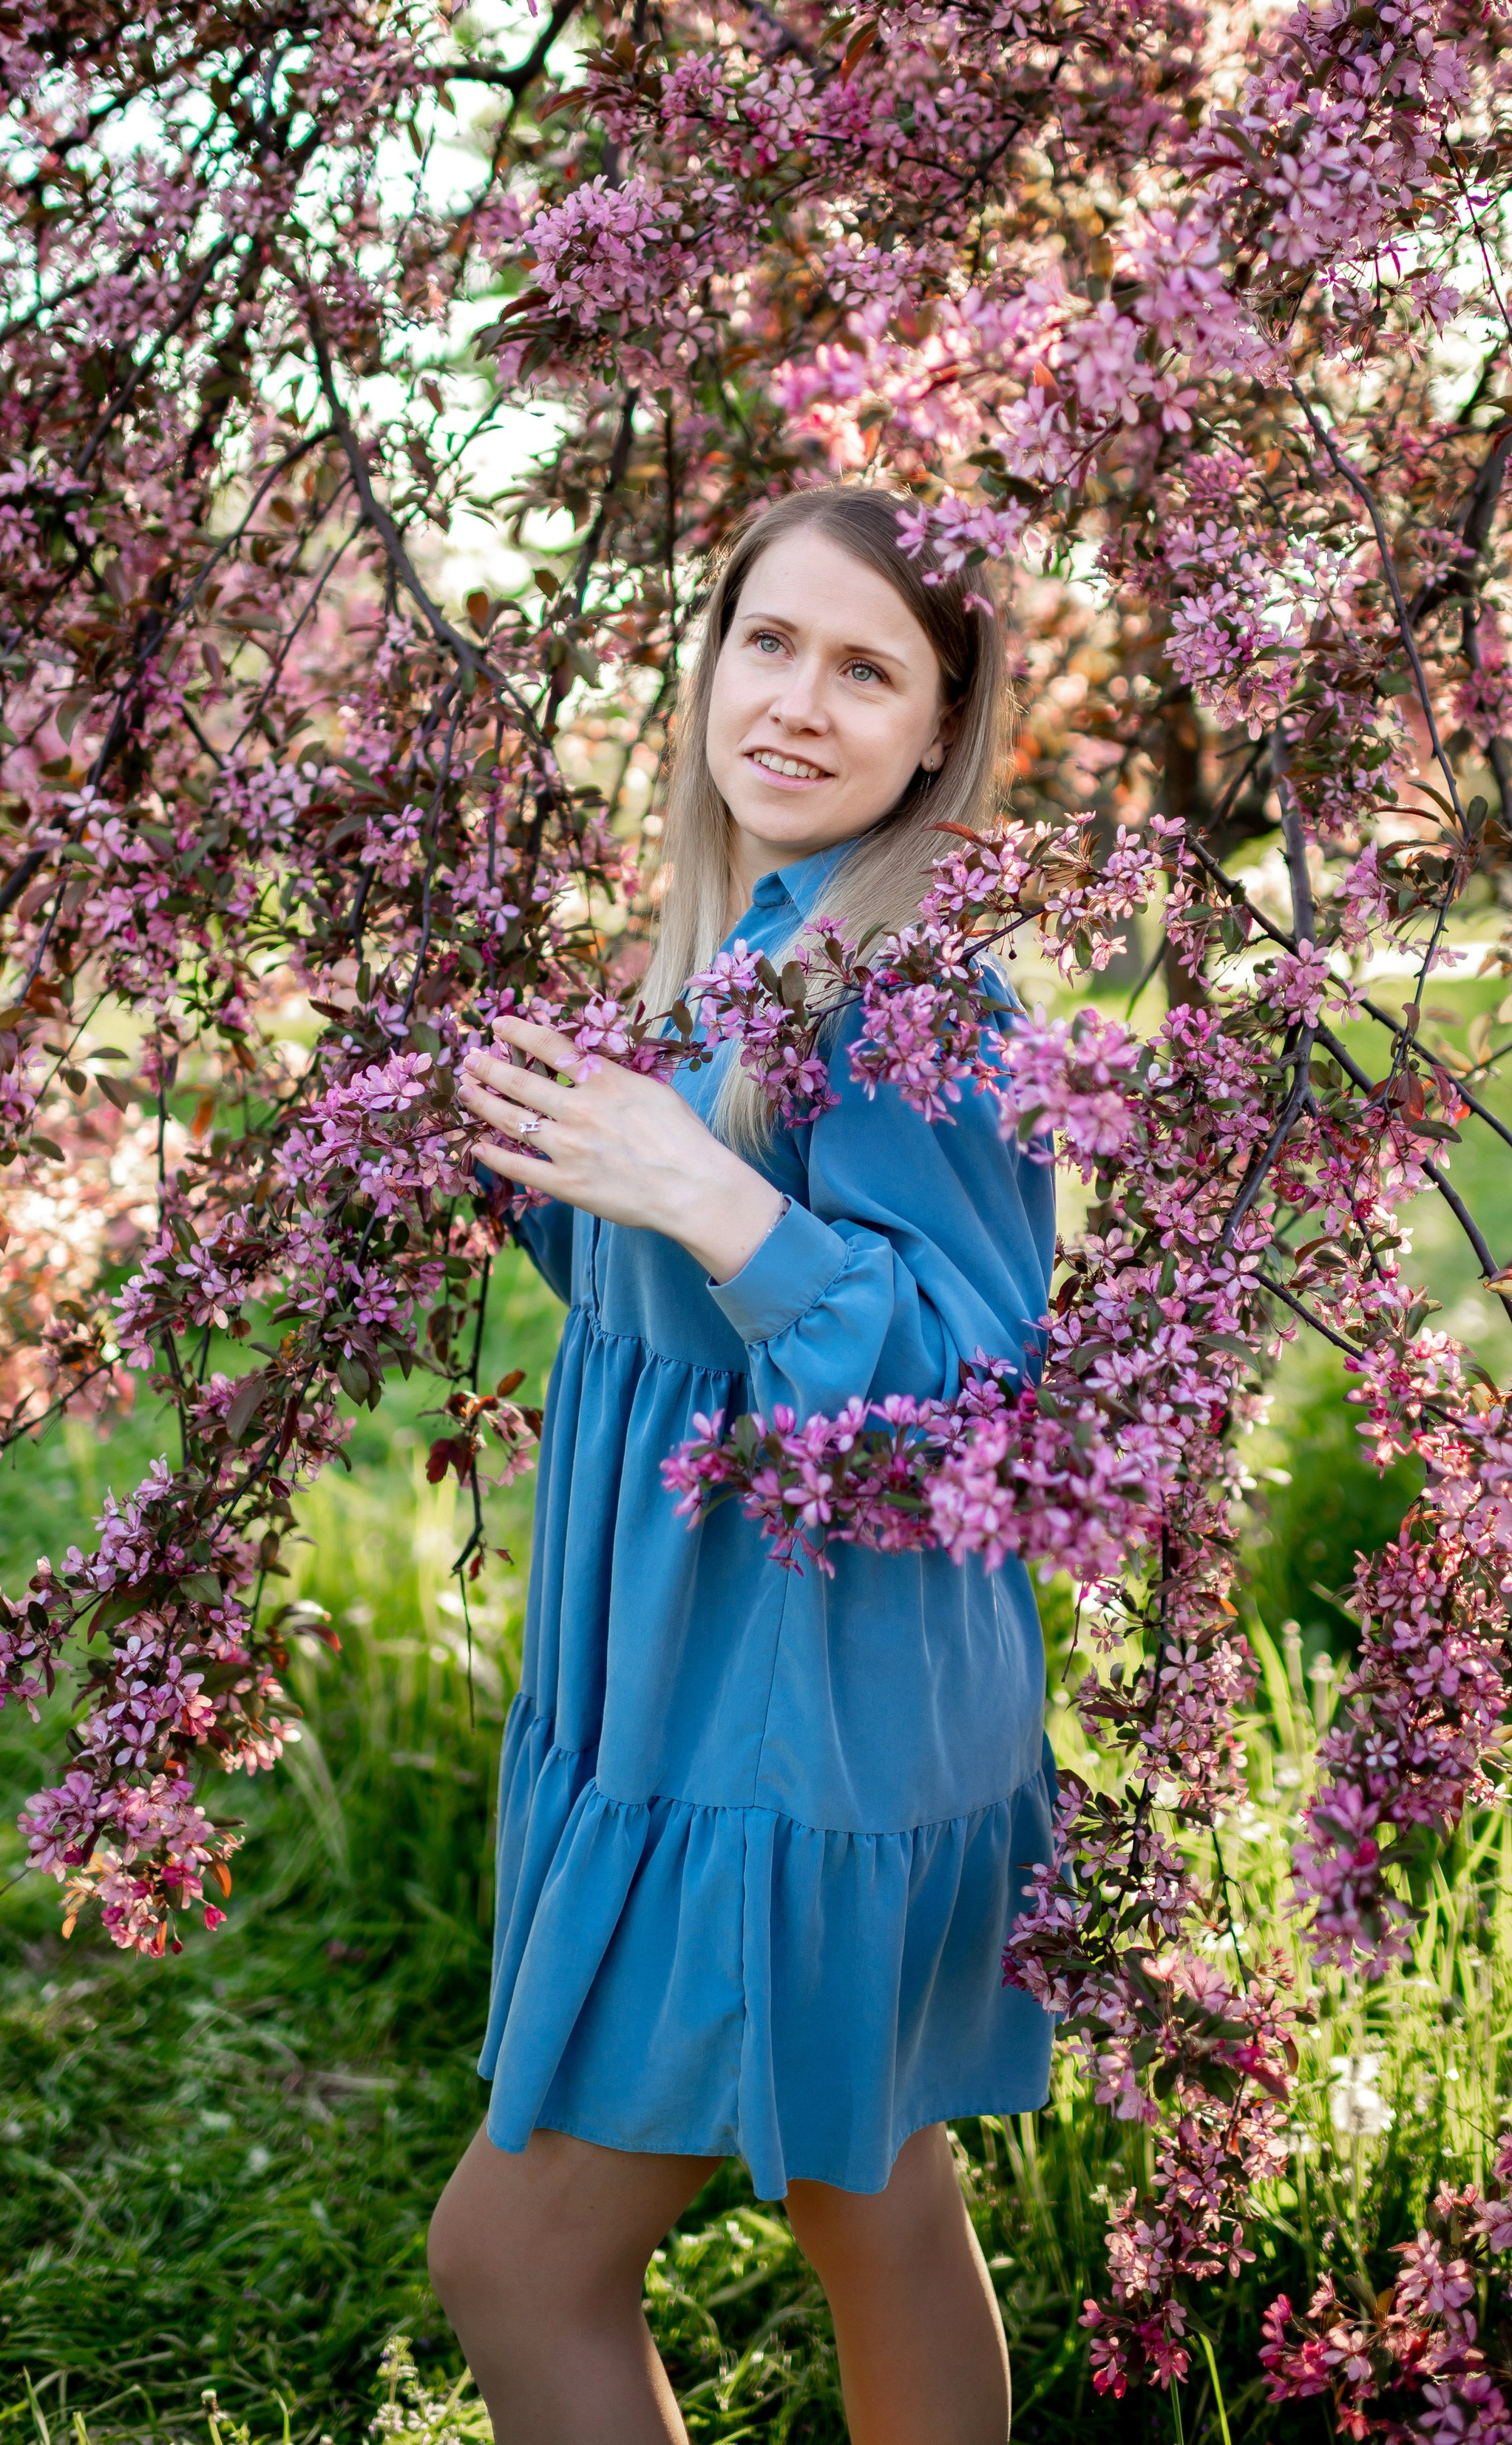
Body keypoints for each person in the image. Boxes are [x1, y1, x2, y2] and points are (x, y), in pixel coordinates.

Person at [432, 487, 1057, 2445]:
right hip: (733, 1684)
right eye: (766, 643)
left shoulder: (914, 1001)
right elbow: (675, 1325)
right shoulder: (741, 954)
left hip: (790, 1724)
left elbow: (975, 1386)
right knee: (873, 2199)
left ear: (941, 731)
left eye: (866, 668)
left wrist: (711, 1196)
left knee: (516, 2264)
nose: (795, 703)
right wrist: (551, 1159)